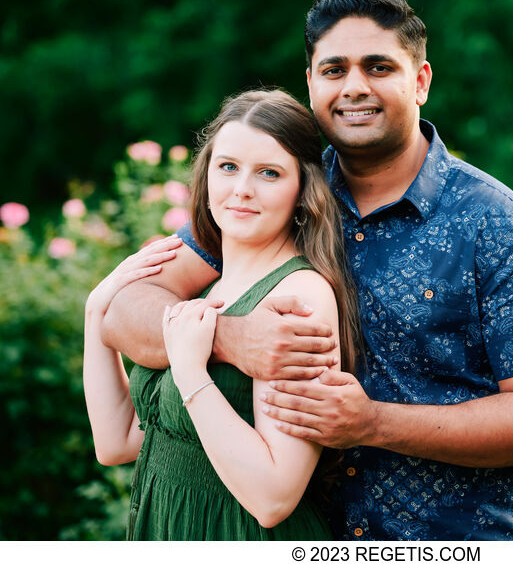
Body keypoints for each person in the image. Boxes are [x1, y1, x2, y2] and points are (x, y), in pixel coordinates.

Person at [102, 0, 513, 540]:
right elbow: (129, 308)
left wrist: (373, 423)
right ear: (310, 83)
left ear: (421, 80)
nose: (355, 87)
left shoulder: (500, 227)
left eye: (378, 67)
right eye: (334, 69)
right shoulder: (275, 189)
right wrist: (231, 339)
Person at [84, 89, 362, 540]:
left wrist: (194, 372)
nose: (242, 190)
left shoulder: (298, 296)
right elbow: (117, 442)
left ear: (302, 189)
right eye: (228, 167)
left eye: (268, 173)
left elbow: (274, 496)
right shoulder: (212, 288)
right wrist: (96, 311)